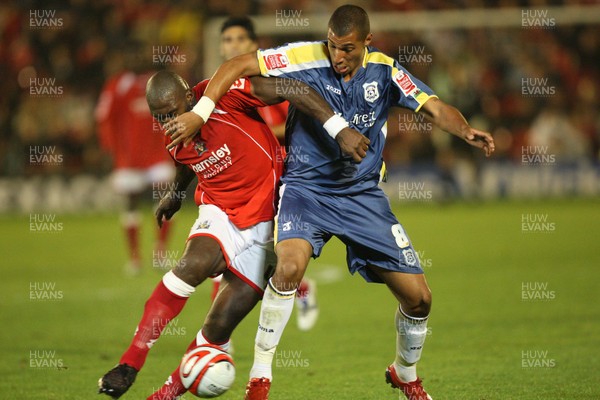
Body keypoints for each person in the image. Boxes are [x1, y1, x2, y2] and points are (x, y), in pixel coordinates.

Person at [165, 4, 495, 400]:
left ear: (367, 43)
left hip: (362, 196)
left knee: (419, 298)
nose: (338, 56)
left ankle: (405, 373)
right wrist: (202, 112)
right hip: (306, 190)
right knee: (288, 268)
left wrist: (465, 131)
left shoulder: (386, 71)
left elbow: (434, 107)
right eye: (333, 46)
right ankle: (260, 379)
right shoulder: (305, 56)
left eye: (348, 49)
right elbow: (237, 65)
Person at [97, 70, 360, 400]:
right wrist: (175, 194)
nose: (167, 122)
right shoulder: (173, 134)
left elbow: (292, 88)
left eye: (172, 111)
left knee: (219, 327)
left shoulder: (227, 93)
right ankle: (129, 365)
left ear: (191, 99)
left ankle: (165, 395)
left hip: (271, 216)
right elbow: (186, 161)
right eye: (159, 116)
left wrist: (338, 129)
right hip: (219, 211)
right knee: (193, 264)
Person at [218, 15, 319, 331]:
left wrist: (252, 135)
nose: (232, 46)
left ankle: (218, 337)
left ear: (253, 45)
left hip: (280, 174)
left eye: (239, 40)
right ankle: (218, 337)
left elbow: (293, 125)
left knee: (257, 252)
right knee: (233, 251)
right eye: (227, 40)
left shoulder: (268, 80)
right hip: (241, 178)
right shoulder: (221, 83)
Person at [95, 40, 174, 274]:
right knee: (131, 204)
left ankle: (160, 253)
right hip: (129, 158)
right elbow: (104, 117)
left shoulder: (159, 82)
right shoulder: (118, 85)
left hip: (158, 155)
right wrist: (110, 147)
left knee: (166, 202)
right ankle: (135, 258)